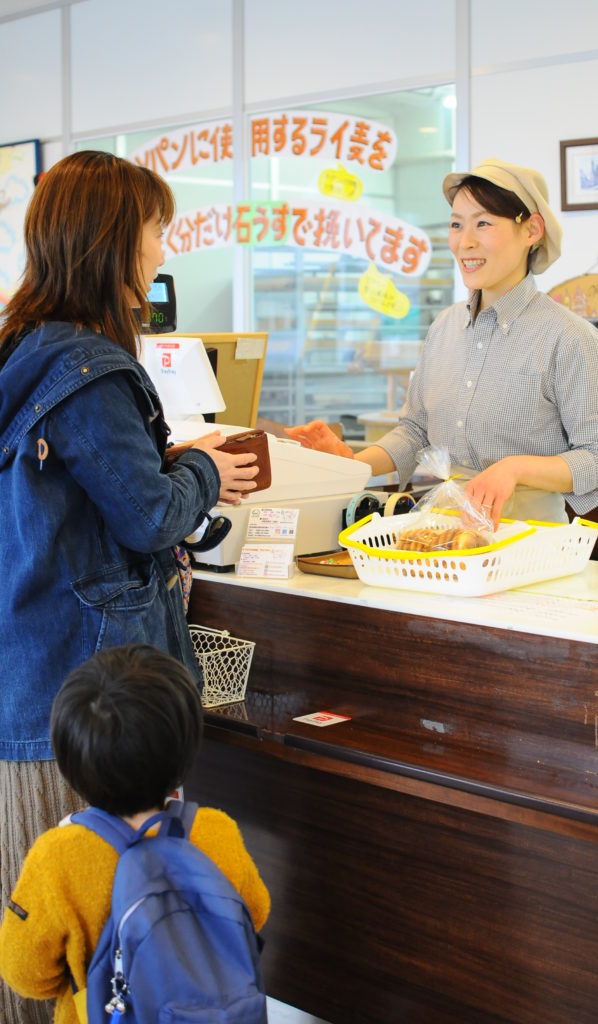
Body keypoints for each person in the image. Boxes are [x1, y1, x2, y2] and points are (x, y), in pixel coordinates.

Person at [0, 150, 259, 1024]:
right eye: (155, 227)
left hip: (31, 682)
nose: (163, 245)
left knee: (43, 918)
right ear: (116, 240)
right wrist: (205, 471)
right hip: (90, 684)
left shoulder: (23, 349)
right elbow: (150, 518)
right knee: (106, 940)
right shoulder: (91, 368)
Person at [286, 158, 598, 527]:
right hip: (443, 534)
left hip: (529, 542)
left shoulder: (569, 337)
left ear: (532, 230)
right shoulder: (444, 327)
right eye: (456, 225)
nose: (465, 242)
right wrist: (351, 464)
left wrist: (513, 469)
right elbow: (416, 432)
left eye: (483, 223)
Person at [0, 644, 271, 1024]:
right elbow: (254, 913)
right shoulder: (216, 830)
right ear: (186, 750)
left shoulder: (57, 857)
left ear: (67, 757)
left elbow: (23, 971)